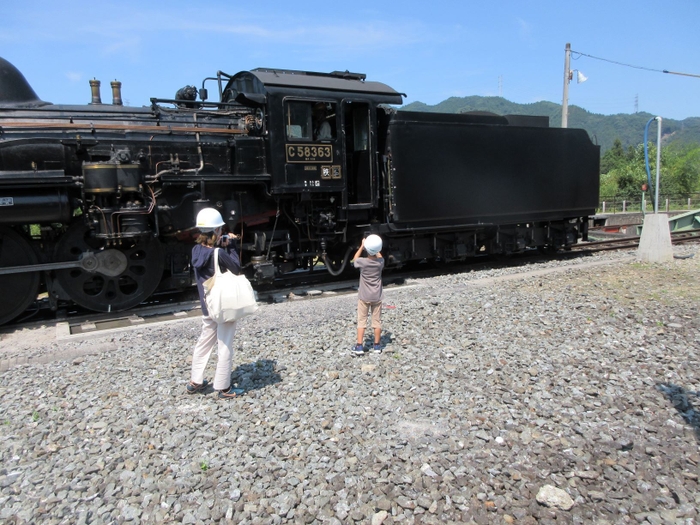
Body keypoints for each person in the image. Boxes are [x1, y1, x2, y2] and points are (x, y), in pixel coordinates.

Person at [187, 207, 245, 399]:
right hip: (223, 306)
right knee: (225, 343)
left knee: (204, 342)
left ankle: (195, 381)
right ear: (217, 231)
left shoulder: (195, 250)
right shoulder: (218, 253)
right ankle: (223, 387)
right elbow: (236, 268)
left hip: (207, 306)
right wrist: (232, 247)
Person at [351, 234, 385, 355]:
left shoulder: (362, 262)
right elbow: (379, 256)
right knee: (376, 322)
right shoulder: (380, 262)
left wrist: (362, 246)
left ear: (366, 248)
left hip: (364, 297)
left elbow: (355, 259)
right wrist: (376, 250)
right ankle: (377, 346)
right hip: (377, 297)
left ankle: (359, 346)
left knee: (362, 321)